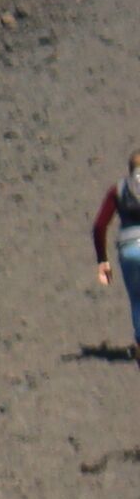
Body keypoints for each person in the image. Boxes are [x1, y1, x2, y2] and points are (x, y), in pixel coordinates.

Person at [87, 148, 140, 355]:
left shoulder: (117, 190)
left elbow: (99, 226)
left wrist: (103, 261)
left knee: (137, 298)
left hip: (128, 250)